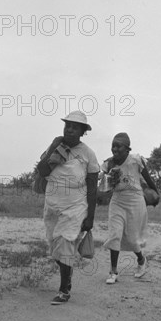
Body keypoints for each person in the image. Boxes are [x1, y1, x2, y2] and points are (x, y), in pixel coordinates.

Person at [36, 111, 99, 305]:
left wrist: (90, 217)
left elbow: (92, 187)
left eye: (74, 127)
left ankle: (64, 290)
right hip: (53, 203)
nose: (69, 129)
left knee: (64, 242)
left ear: (82, 132)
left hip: (75, 206)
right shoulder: (56, 147)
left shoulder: (88, 154)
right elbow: (42, 170)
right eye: (67, 126)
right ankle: (67, 271)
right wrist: (54, 147)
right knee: (55, 244)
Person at [100, 132, 158, 284]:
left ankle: (141, 260)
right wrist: (110, 179)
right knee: (115, 235)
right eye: (113, 145)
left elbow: (148, 179)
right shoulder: (108, 164)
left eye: (118, 146)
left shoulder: (136, 161)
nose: (114, 149)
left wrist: (155, 194)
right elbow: (103, 188)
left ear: (127, 149)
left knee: (132, 239)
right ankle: (113, 272)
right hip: (117, 201)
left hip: (135, 201)